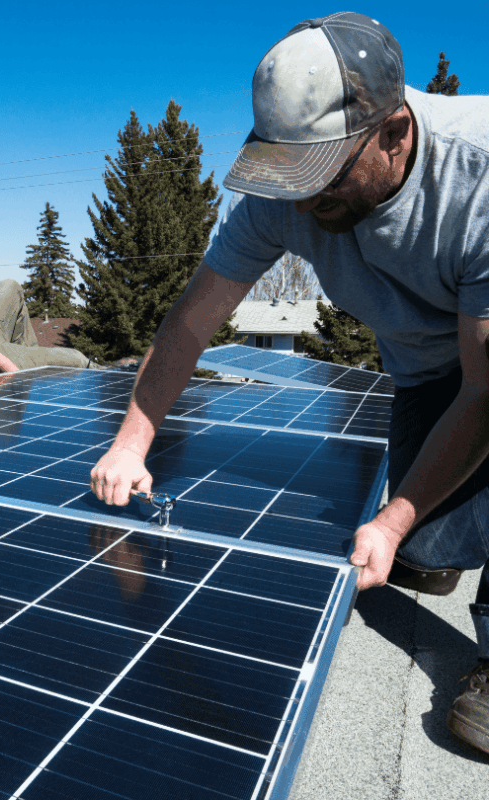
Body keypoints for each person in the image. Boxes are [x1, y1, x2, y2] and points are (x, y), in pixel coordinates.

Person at [89, 11, 489, 754]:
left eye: (323, 179)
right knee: (432, 545)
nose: (301, 203)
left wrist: (393, 518)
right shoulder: (283, 196)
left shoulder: (480, 173)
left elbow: (486, 392)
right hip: (426, 360)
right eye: (290, 177)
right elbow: (191, 321)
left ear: (394, 133)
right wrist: (131, 442)